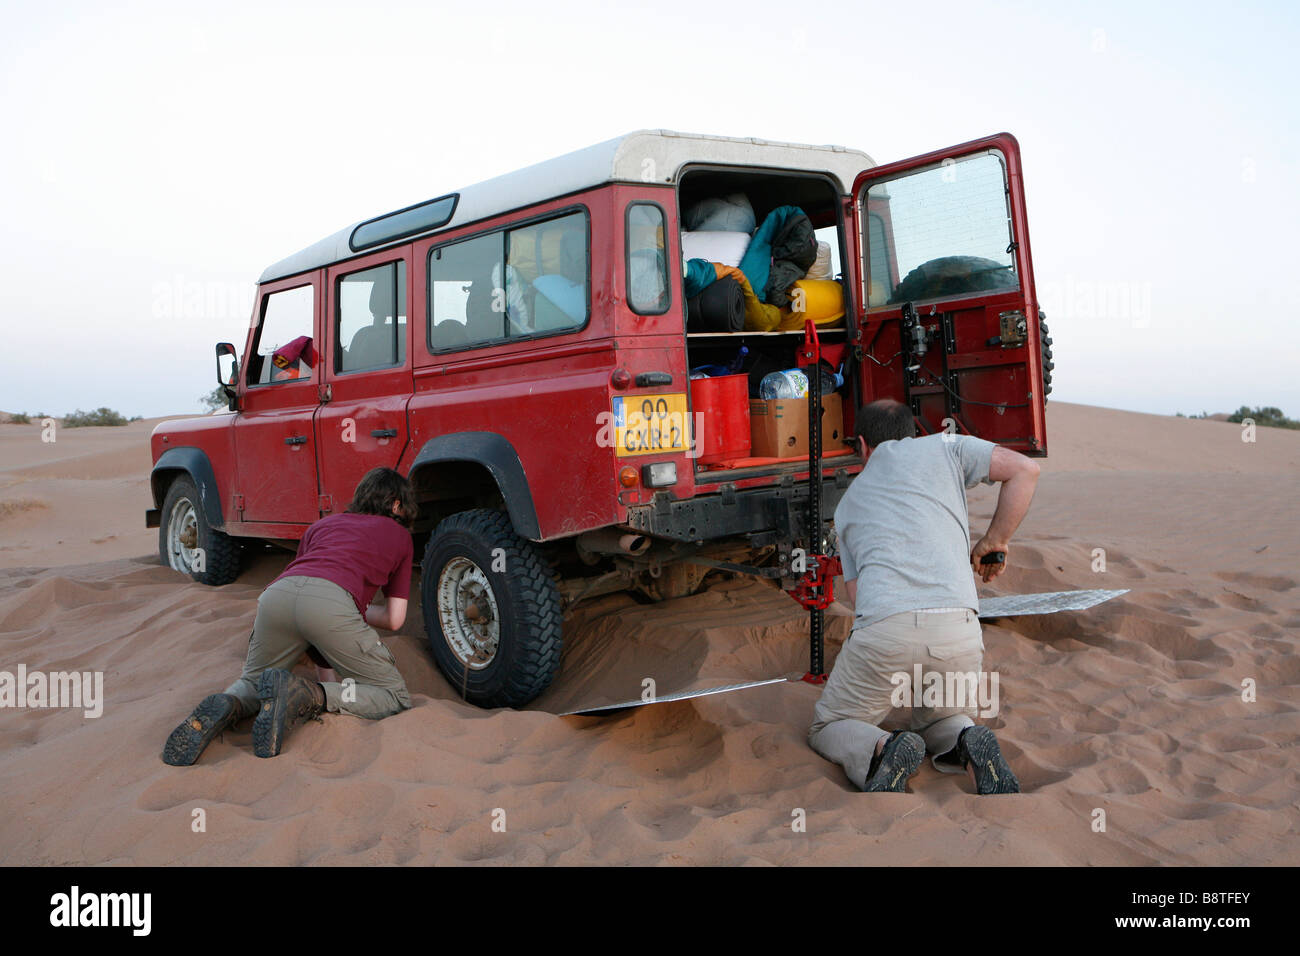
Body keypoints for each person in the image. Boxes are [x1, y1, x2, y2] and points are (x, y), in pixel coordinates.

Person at [808, 399, 1040, 794]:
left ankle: (882, 746)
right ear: (914, 430)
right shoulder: (947, 446)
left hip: (886, 628)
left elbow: (857, 595)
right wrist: (995, 540)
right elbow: (1025, 470)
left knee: (827, 725)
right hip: (959, 628)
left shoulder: (848, 504)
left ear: (862, 445)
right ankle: (965, 739)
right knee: (943, 717)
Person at [162, 467, 417, 765]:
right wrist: (350, 615)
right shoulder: (399, 536)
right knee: (394, 696)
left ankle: (229, 701)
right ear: (397, 505)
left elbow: (309, 610)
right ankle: (310, 696)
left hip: (277, 595)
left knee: (252, 681)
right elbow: (394, 619)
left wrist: (339, 624)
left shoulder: (322, 525)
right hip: (332, 603)